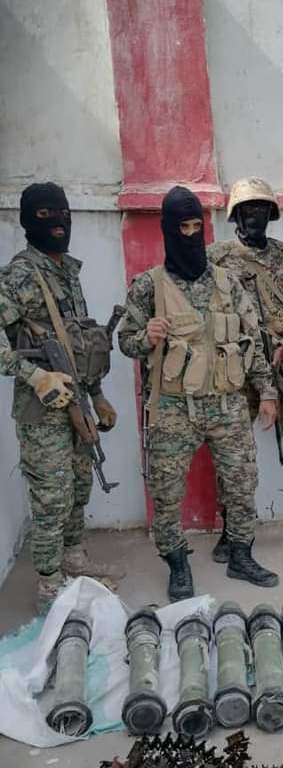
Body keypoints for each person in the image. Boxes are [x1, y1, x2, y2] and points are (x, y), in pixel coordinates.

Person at [118, 186, 279, 601]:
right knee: (166, 491)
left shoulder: (228, 284)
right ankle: (177, 563)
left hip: (227, 404)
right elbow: (125, 341)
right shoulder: (148, 286)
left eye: (196, 227)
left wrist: (267, 392)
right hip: (174, 408)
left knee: (242, 484)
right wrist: (146, 336)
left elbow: (252, 341)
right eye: (183, 227)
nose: (190, 235)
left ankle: (241, 555)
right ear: (168, 230)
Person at [0, 182, 121, 611]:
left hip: (77, 398)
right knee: (51, 496)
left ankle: (73, 559)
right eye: (46, 214)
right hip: (42, 409)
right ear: (29, 221)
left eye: (64, 213)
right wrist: (34, 376)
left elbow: (77, 343)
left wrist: (98, 394)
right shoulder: (19, 275)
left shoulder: (68, 271)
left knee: (79, 484)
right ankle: (50, 586)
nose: (58, 222)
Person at [207, 176, 283, 558]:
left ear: (271, 214)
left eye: (261, 208)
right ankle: (233, 530)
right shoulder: (216, 257)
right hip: (238, 366)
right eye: (247, 209)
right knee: (233, 451)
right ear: (235, 214)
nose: (254, 215)